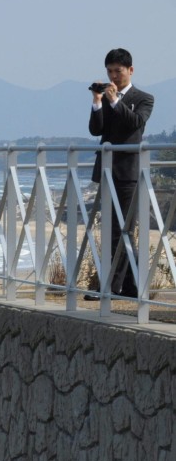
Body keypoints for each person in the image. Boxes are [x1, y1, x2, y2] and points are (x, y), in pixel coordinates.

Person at [87, 47, 154, 299]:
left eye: (118, 71)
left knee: (121, 230)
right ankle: (132, 286)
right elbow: (96, 130)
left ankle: (110, 288)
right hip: (106, 171)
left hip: (129, 173)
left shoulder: (144, 98)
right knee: (114, 229)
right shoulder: (105, 97)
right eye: (110, 71)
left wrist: (115, 100)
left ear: (130, 70)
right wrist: (97, 102)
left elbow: (135, 125)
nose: (114, 76)